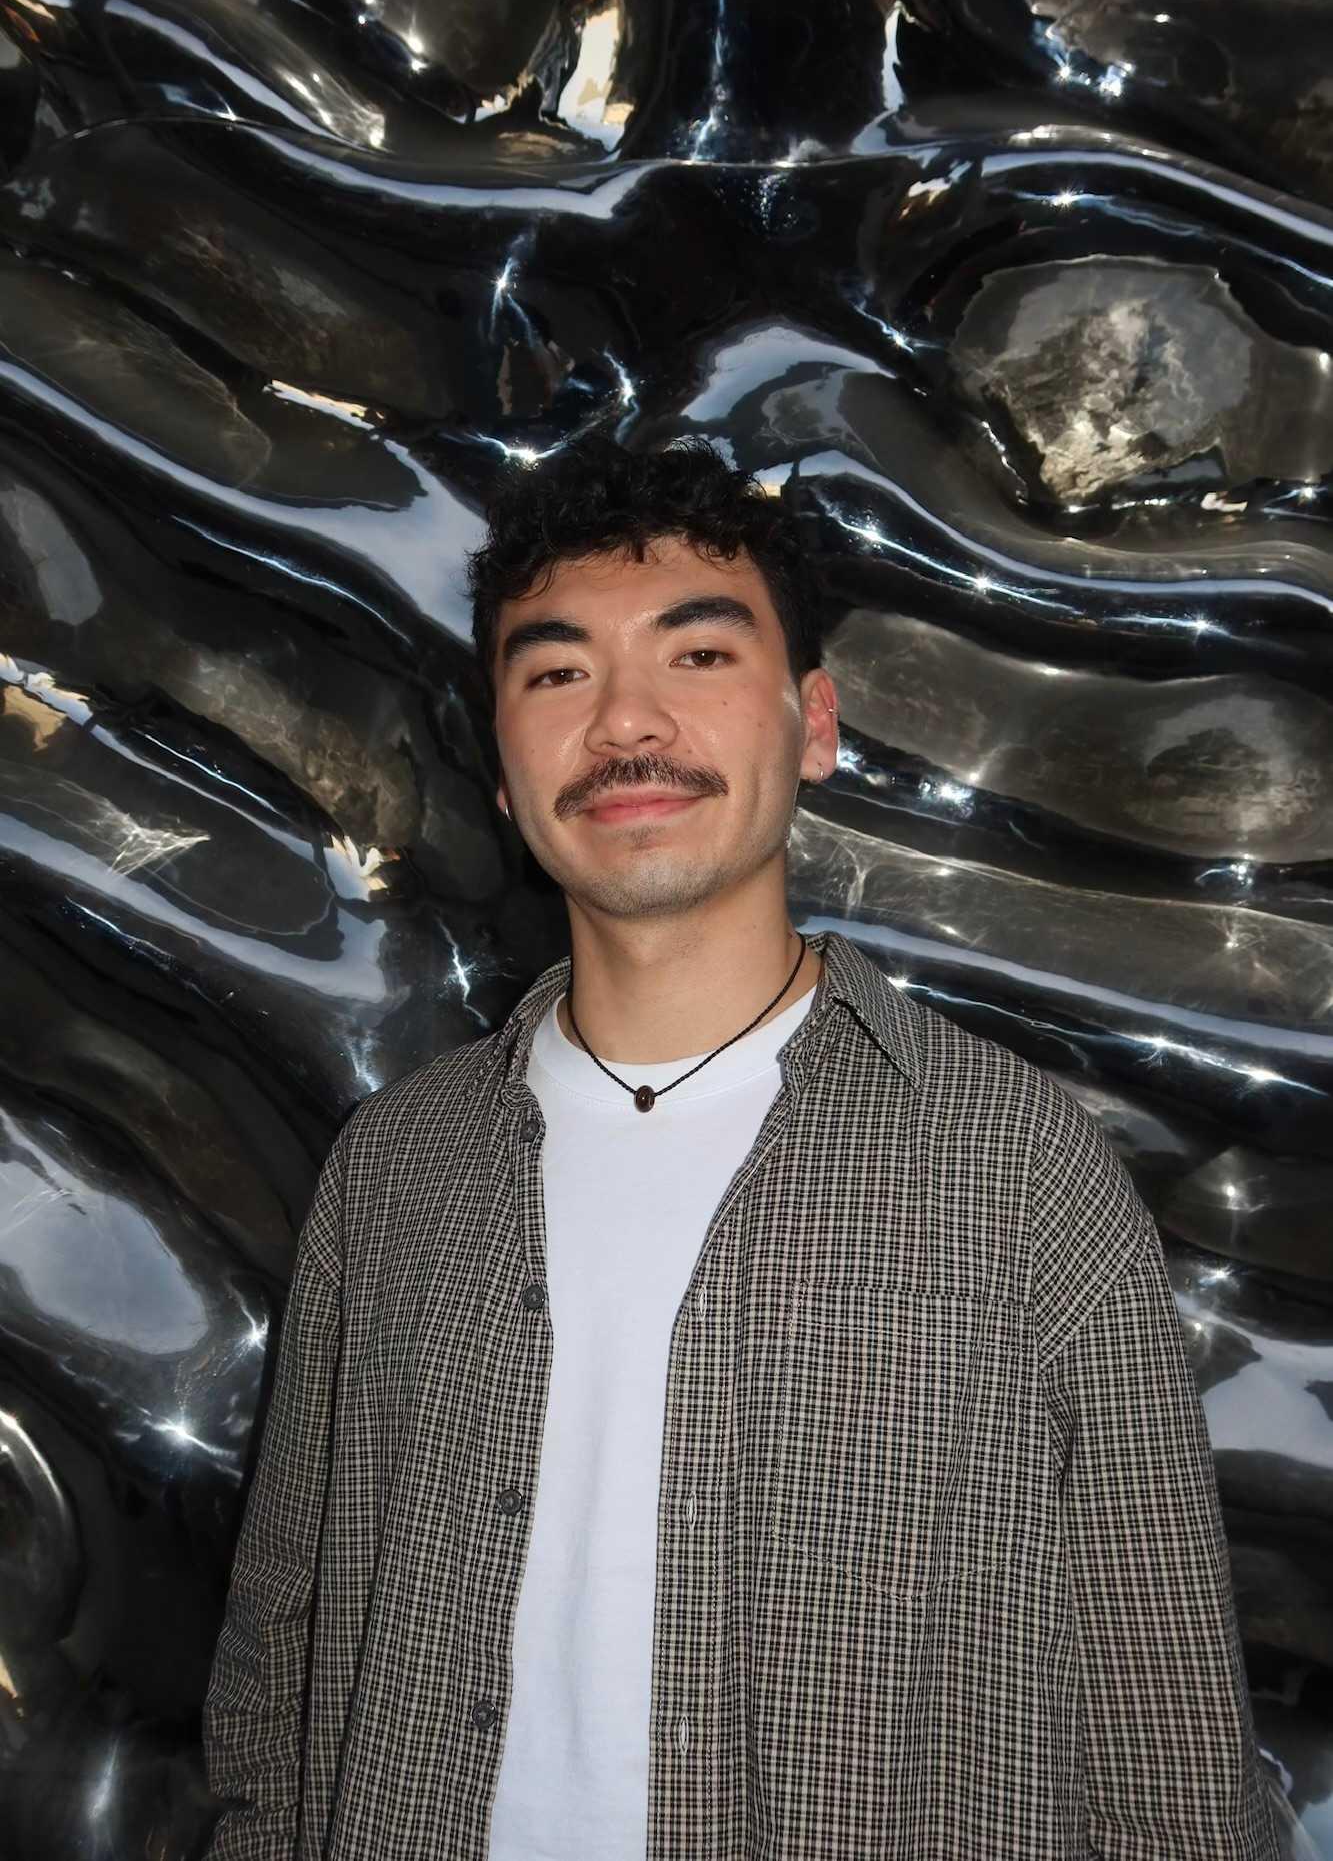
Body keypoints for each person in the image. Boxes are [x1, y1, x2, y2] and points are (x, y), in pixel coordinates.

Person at [202, 439, 1282, 1860]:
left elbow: (1163, 1714)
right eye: (556, 672)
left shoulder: (1017, 1164)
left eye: (698, 655)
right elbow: (277, 1661)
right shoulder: (394, 1169)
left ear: (812, 723)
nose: (624, 720)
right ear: (504, 764)